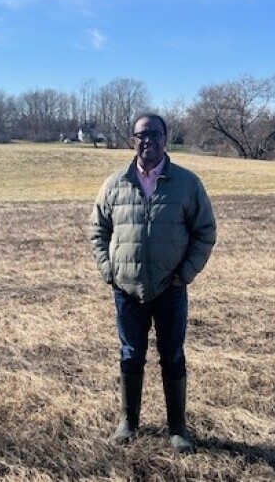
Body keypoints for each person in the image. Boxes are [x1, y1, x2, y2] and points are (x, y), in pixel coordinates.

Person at [90, 113, 216, 453]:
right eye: (142, 135)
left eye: (155, 134)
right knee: (131, 355)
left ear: (166, 137)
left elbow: (205, 232)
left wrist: (185, 274)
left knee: (172, 356)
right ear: (133, 139)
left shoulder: (187, 184)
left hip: (170, 290)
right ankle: (128, 422)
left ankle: (178, 428)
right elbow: (97, 230)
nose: (149, 141)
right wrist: (109, 271)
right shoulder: (115, 183)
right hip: (127, 290)